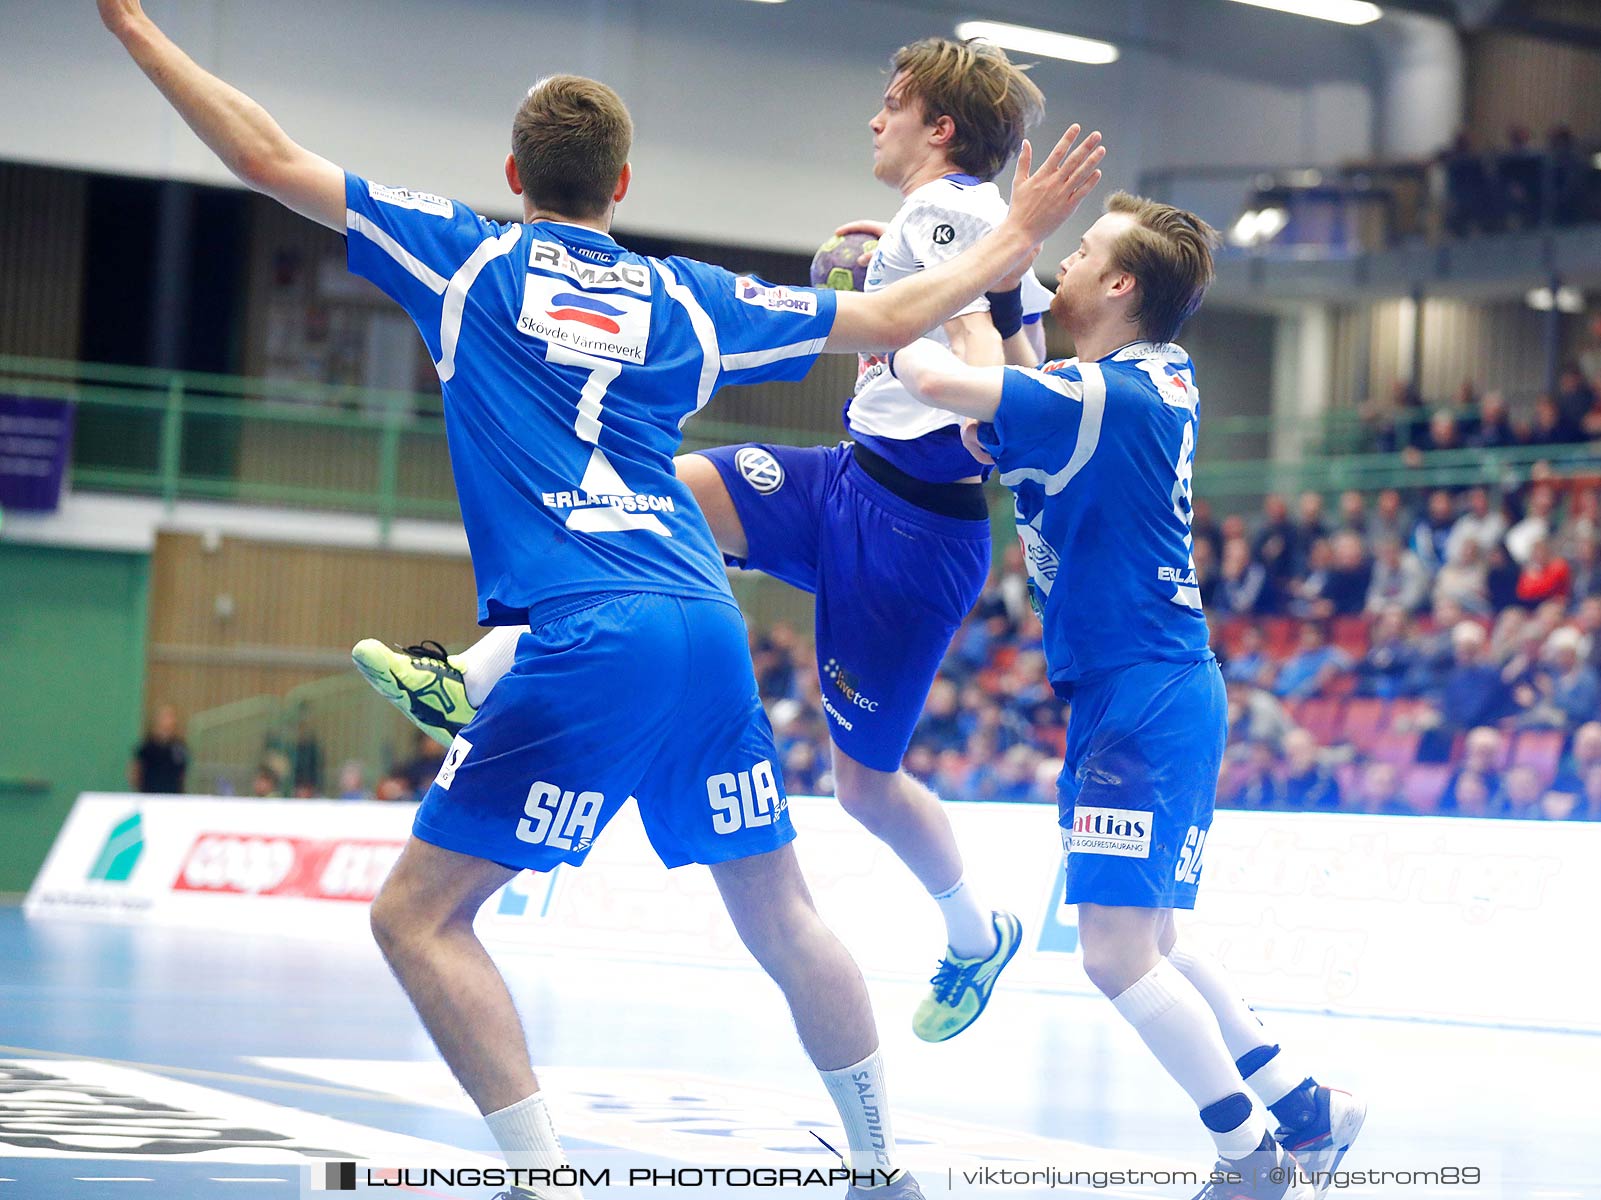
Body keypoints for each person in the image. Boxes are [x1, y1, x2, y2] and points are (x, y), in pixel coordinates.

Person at [99, 5, 1104, 1198]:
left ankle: (539, 1179)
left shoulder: (463, 255)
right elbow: (887, 323)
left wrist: (134, 28)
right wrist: (1023, 234)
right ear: (623, 184)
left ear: (516, 176)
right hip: (704, 624)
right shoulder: (685, 299)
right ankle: (882, 1169)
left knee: (417, 918)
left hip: (585, 630)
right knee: (781, 913)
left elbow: (263, 155)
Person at [349, 38, 1068, 1044]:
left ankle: (975, 930)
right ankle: (475, 674)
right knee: (665, 491)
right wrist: (898, 287)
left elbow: (1005, 367)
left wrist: (946, 353)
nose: (877, 117)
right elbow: (1010, 336)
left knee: (864, 784)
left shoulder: (957, 213)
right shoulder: (943, 221)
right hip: (848, 477)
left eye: (894, 103)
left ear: (939, 129)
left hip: (916, 531)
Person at [890, 192, 1360, 1199]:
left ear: (1120, 285)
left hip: (1141, 699)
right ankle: (1307, 1109)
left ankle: (1249, 1161)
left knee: (1112, 955)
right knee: (1154, 940)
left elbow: (937, 376)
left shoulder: (1103, 397)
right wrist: (996, 292)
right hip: (1152, 687)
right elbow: (1013, 404)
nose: (1062, 261)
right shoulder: (1143, 379)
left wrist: (934, 286)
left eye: (1083, 251)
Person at [131, 702, 188, 795]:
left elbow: (182, 775)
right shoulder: (146, 747)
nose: (168, 721)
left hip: (172, 797)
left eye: (171, 717)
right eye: (164, 717)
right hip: (149, 796)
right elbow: (135, 773)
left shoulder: (180, 747)